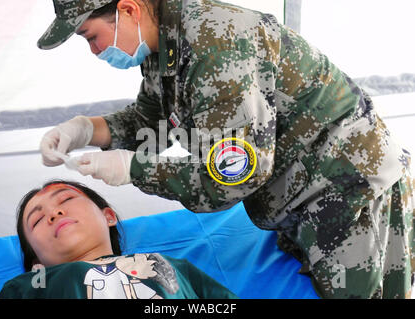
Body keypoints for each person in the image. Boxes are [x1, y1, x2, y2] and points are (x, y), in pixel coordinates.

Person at [38, 0, 415, 298]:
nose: (95, 50)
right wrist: (85, 130)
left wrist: (131, 169)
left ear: (128, 10)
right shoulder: (162, 43)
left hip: (347, 188)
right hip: (303, 196)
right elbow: (152, 119)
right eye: (36, 219)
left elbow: (232, 176)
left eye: (91, 37)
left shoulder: (216, 45)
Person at [0, 180, 238, 299]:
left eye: (66, 200)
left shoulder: (171, 266)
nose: (54, 213)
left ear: (108, 216)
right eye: (37, 220)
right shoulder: (30, 285)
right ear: (35, 257)